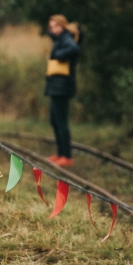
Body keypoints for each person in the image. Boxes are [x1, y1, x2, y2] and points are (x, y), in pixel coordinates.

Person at [46, 14, 81, 167]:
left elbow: (74, 49)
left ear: (62, 26)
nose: (53, 30)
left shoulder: (66, 38)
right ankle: (60, 153)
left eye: (56, 26)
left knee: (61, 121)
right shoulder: (60, 38)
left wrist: (58, 55)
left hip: (62, 85)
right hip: (56, 85)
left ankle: (66, 156)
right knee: (54, 120)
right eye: (51, 27)